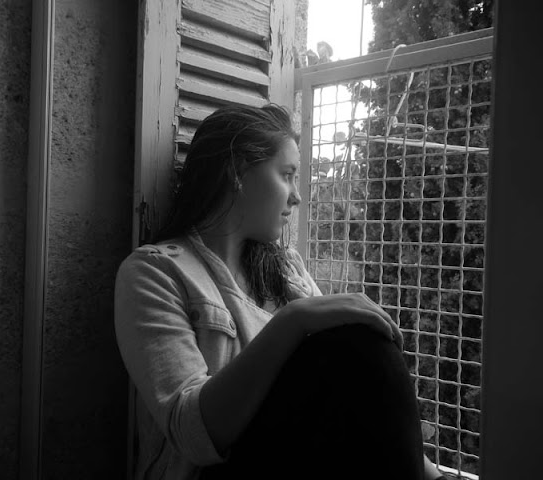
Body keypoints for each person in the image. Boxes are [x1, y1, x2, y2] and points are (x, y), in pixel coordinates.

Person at [114, 104, 450, 479]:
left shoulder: (286, 268)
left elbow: (362, 392)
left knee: (358, 340)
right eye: (287, 175)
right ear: (237, 172)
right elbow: (192, 434)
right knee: (358, 341)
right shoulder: (156, 272)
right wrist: (293, 320)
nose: (296, 196)